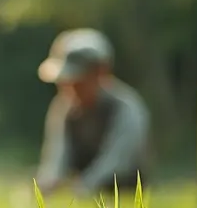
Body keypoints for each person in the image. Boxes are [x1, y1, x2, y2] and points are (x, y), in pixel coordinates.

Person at [34, 28, 151, 196]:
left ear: (100, 72)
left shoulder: (127, 108)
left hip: (120, 188)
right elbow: (57, 155)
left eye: (78, 80)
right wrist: (48, 183)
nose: (71, 88)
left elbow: (118, 161)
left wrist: (83, 188)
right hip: (79, 184)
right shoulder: (64, 108)